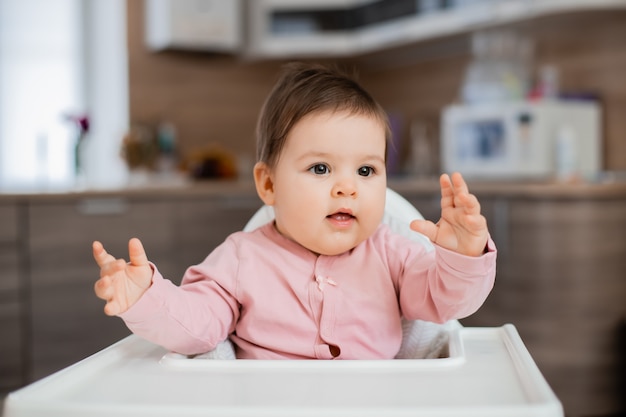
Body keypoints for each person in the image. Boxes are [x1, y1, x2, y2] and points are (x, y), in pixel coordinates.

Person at [93, 62, 496, 359]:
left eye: (366, 169)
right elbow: (196, 326)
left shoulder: (393, 255)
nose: (347, 186)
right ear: (269, 184)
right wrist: (147, 296)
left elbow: (445, 302)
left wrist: (463, 256)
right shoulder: (241, 258)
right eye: (320, 168)